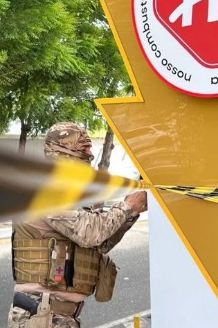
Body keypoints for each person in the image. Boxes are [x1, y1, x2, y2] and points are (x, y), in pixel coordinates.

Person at [8, 122, 147, 328]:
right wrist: (127, 206)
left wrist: (132, 211)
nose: (90, 154)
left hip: (59, 317)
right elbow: (91, 234)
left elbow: (100, 244)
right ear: (62, 150)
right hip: (42, 316)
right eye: (84, 148)